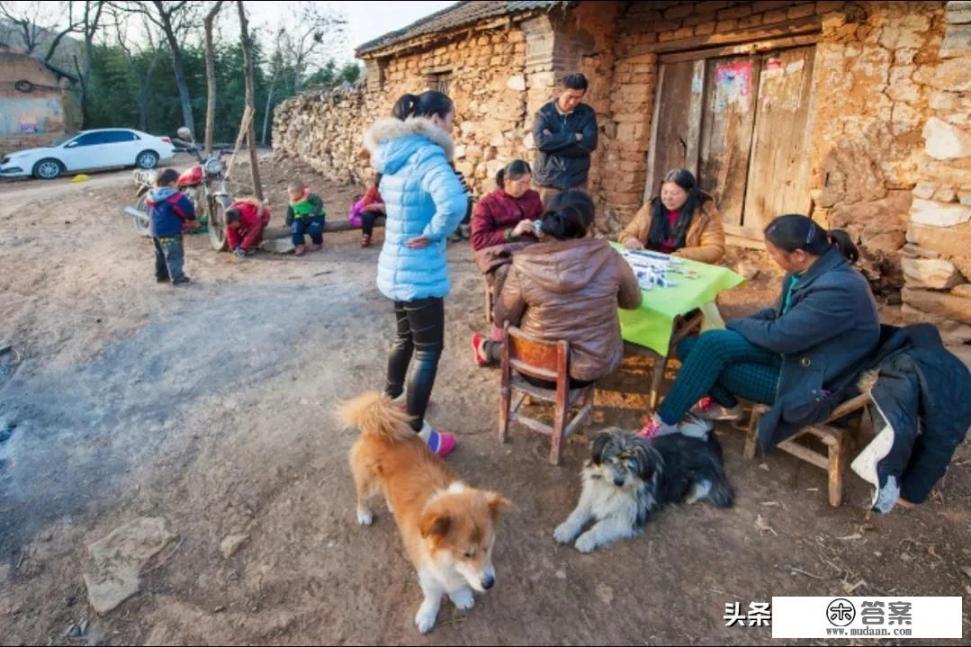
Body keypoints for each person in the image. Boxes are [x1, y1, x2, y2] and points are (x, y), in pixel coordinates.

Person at [639, 214, 880, 442]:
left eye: (773, 253)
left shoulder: (838, 288)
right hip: (798, 355)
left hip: (813, 379)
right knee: (691, 347)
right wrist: (735, 328)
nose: (771, 258)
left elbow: (780, 337)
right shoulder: (806, 271)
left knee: (708, 354)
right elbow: (778, 315)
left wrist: (734, 325)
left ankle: (664, 421)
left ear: (798, 254)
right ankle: (727, 407)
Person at [363, 89, 469, 457]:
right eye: (451, 118)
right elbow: (455, 203)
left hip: (395, 265)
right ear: (437, 119)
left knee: (404, 337)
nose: (453, 126)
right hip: (418, 269)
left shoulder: (394, 155)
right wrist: (435, 232)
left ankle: (390, 400)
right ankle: (415, 429)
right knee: (428, 349)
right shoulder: (427, 155)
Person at [474, 190, 642, 386]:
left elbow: (504, 317)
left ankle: (488, 349)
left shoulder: (525, 263)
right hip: (591, 370)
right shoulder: (611, 257)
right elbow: (632, 303)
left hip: (535, 367)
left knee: (516, 328)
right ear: (589, 226)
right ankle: (489, 349)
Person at [619, 168, 726, 264]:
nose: (668, 198)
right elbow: (627, 233)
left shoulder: (704, 213)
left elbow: (715, 248)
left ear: (689, 193)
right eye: (665, 192)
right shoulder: (651, 207)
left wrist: (681, 256)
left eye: (675, 193)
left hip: (684, 266)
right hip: (651, 263)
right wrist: (629, 240)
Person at [532, 72, 598, 205]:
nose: (573, 102)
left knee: (575, 223)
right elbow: (541, 143)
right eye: (570, 97)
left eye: (578, 98)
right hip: (548, 180)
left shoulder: (587, 113)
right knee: (546, 222)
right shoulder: (545, 114)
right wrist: (574, 137)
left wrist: (554, 144)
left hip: (576, 180)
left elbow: (589, 144)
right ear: (560, 92)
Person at [470, 159, 544, 252]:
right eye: (521, 183)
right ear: (507, 182)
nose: (526, 188)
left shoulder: (533, 196)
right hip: (501, 252)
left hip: (530, 248)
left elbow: (540, 218)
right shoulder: (487, 204)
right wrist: (512, 232)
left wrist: (540, 227)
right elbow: (478, 241)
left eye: (528, 182)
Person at [146, 168, 197, 285]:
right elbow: (188, 208)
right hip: (171, 232)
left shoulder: (151, 194)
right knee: (174, 255)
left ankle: (161, 276)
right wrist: (192, 219)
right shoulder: (176, 196)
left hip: (154, 231)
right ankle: (177, 278)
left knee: (160, 254)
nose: (178, 185)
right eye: (177, 182)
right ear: (171, 183)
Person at [285, 180, 326, 256]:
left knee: (314, 229)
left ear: (300, 192)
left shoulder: (309, 196)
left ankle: (317, 242)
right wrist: (289, 221)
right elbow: (290, 211)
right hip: (300, 217)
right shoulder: (292, 201)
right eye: (289, 193)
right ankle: (299, 245)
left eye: (292, 193)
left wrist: (314, 212)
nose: (290, 195)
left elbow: (319, 202)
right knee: (295, 229)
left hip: (315, 216)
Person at [356, 173, 385, 248]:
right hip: (378, 208)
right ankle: (366, 235)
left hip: (391, 208)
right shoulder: (373, 189)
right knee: (366, 215)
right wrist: (376, 206)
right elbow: (366, 205)